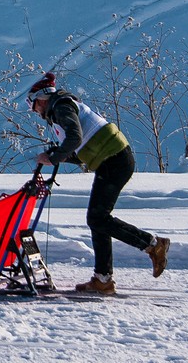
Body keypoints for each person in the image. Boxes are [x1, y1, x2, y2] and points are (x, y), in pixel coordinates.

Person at [27, 72, 170, 294]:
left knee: (97, 217)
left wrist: (53, 157)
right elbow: (79, 148)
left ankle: (153, 245)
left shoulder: (62, 106)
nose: (33, 110)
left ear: (42, 98)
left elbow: (74, 138)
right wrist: (56, 154)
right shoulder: (62, 109)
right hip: (112, 159)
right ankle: (103, 279)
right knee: (98, 218)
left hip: (114, 159)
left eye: (32, 104)